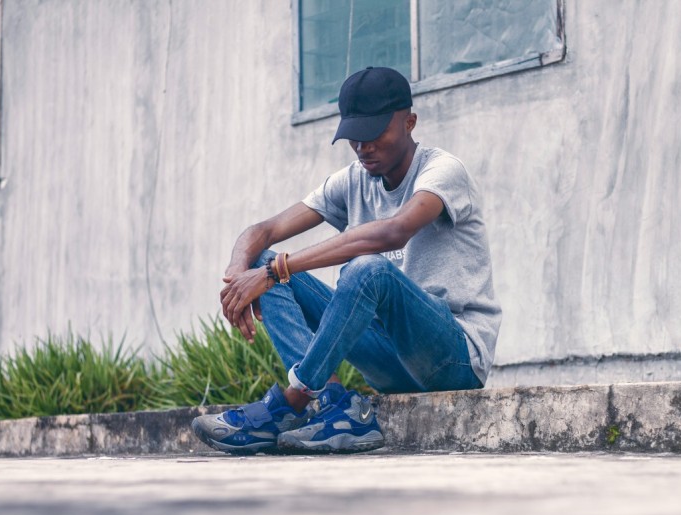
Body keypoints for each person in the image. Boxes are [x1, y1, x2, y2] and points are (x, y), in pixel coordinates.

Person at [191, 67, 501, 454]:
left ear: (409, 122)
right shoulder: (354, 179)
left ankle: (292, 401)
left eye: (374, 134)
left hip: (453, 358)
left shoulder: (442, 171)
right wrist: (240, 275)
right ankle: (337, 406)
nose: (363, 146)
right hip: (388, 362)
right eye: (355, 136)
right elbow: (263, 232)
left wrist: (275, 271)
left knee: (365, 268)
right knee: (265, 262)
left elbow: (393, 231)